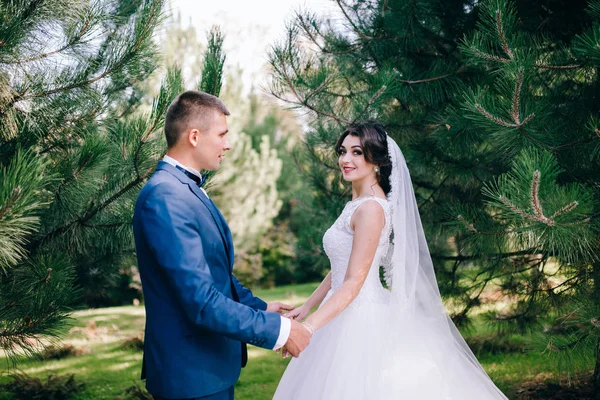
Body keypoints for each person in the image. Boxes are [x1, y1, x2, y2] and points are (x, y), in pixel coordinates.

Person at [273, 122, 508, 399]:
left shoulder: (371, 209)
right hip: (338, 309)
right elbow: (346, 264)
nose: (345, 160)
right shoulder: (357, 204)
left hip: (360, 318)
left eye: (357, 152)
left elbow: (354, 281)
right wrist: (309, 306)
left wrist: (308, 328)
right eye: (342, 151)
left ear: (377, 162)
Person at [132, 90, 311, 400]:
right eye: (222, 134)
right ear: (194, 136)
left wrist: (260, 307)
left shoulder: (185, 188)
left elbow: (215, 273)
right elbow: (200, 301)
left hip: (208, 370)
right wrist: (279, 332)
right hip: (190, 377)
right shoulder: (166, 196)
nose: (228, 144)